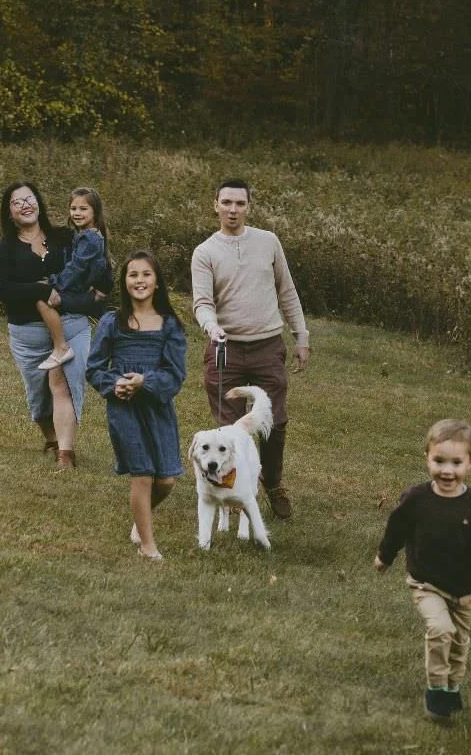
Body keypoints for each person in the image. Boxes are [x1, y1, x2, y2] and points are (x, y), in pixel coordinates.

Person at [189, 177, 310, 518]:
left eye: (240, 203)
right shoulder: (205, 252)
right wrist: (211, 326)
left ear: (248, 207)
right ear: (215, 205)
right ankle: (236, 491)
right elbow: (202, 302)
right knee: (230, 430)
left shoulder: (268, 242)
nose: (233, 209)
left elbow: (287, 290)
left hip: (267, 347)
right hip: (225, 350)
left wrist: (301, 336)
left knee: (274, 422)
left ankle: (273, 483)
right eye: (226, 202)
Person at [374, 419, 471, 722]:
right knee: (441, 630)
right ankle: (435, 693)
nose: (447, 470)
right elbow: (396, 529)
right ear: (427, 457)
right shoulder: (416, 500)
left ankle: (451, 689)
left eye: (456, 463)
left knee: (458, 645)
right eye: (439, 461)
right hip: (426, 584)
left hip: (465, 592)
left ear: (470, 462)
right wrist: (385, 556)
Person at [0, 182, 107, 468]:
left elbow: (96, 264)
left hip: (71, 325)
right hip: (28, 332)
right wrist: (41, 290)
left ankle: (65, 453)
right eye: (17, 202)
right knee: (40, 397)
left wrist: (97, 290)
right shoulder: (5, 248)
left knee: (63, 384)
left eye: (29, 198)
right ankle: (52, 438)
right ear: (9, 212)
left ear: (38, 203)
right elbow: (2, 289)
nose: (25, 205)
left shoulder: (64, 237)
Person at [86, 251, 189, 562]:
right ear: (124, 282)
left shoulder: (170, 325)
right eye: (133, 275)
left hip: (157, 408)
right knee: (141, 474)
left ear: (157, 282)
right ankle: (148, 546)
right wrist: (114, 383)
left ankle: (140, 519)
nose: (139, 280)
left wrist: (146, 381)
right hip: (124, 408)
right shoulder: (112, 322)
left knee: (165, 480)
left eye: (146, 274)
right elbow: (94, 368)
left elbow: (175, 375)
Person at [36, 188, 110, 371]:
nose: (77, 213)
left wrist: (53, 282)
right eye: (73, 208)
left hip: (80, 292)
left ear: (95, 211)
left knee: (43, 299)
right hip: (80, 289)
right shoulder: (85, 234)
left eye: (83, 209)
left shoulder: (90, 238)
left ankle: (61, 347)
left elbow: (76, 268)